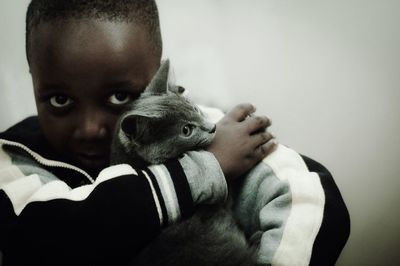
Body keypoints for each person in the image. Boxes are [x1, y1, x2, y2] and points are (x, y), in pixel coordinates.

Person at [0, 0, 350, 265]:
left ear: (157, 77)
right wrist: (203, 171)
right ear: (34, 77)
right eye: (60, 100)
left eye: (121, 97)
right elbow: (49, 236)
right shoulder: (11, 162)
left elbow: (312, 197)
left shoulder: (202, 129)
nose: (90, 128)